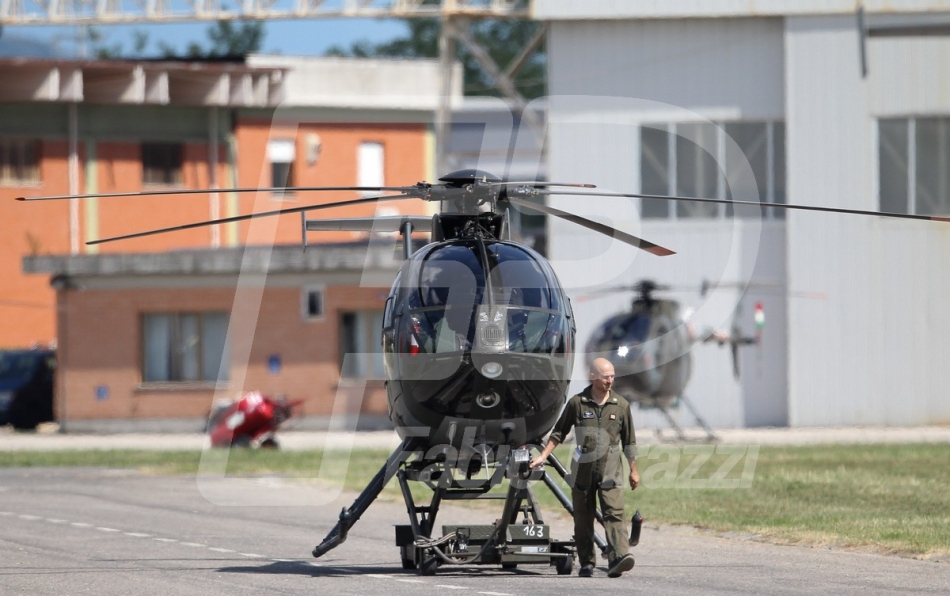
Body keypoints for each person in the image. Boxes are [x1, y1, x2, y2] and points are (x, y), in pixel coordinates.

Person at [529, 357, 639, 578]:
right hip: (583, 470)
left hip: (611, 469)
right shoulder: (577, 403)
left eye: (612, 376)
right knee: (583, 517)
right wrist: (543, 455)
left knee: (614, 513)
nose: (610, 380)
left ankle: (618, 556)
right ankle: (587, 562)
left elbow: (629, 442)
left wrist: (634, 470)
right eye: (606, 376)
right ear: (593, 377)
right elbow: (559, 432)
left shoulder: (621, 405)